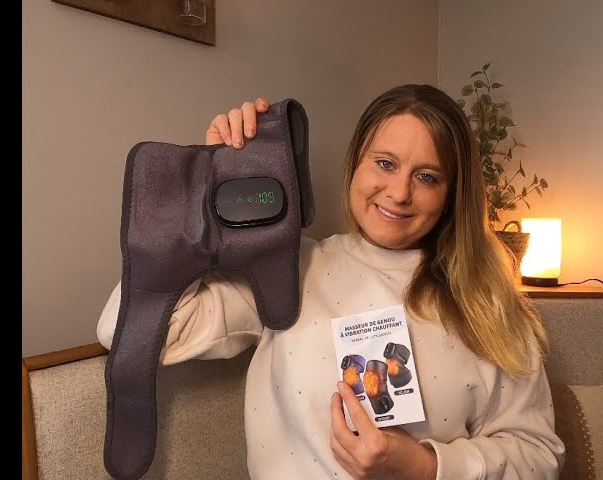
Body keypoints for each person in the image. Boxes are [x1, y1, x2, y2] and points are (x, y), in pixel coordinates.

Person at [97, 84, 565, 479]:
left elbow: (540, 455)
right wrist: (205, 200)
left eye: (426, 177)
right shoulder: (287, 268)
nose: (399, 192)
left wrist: (425, 467)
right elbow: (121, 330)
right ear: (356, 164)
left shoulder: (487, 301)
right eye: (385, 164)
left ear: (451, 195)